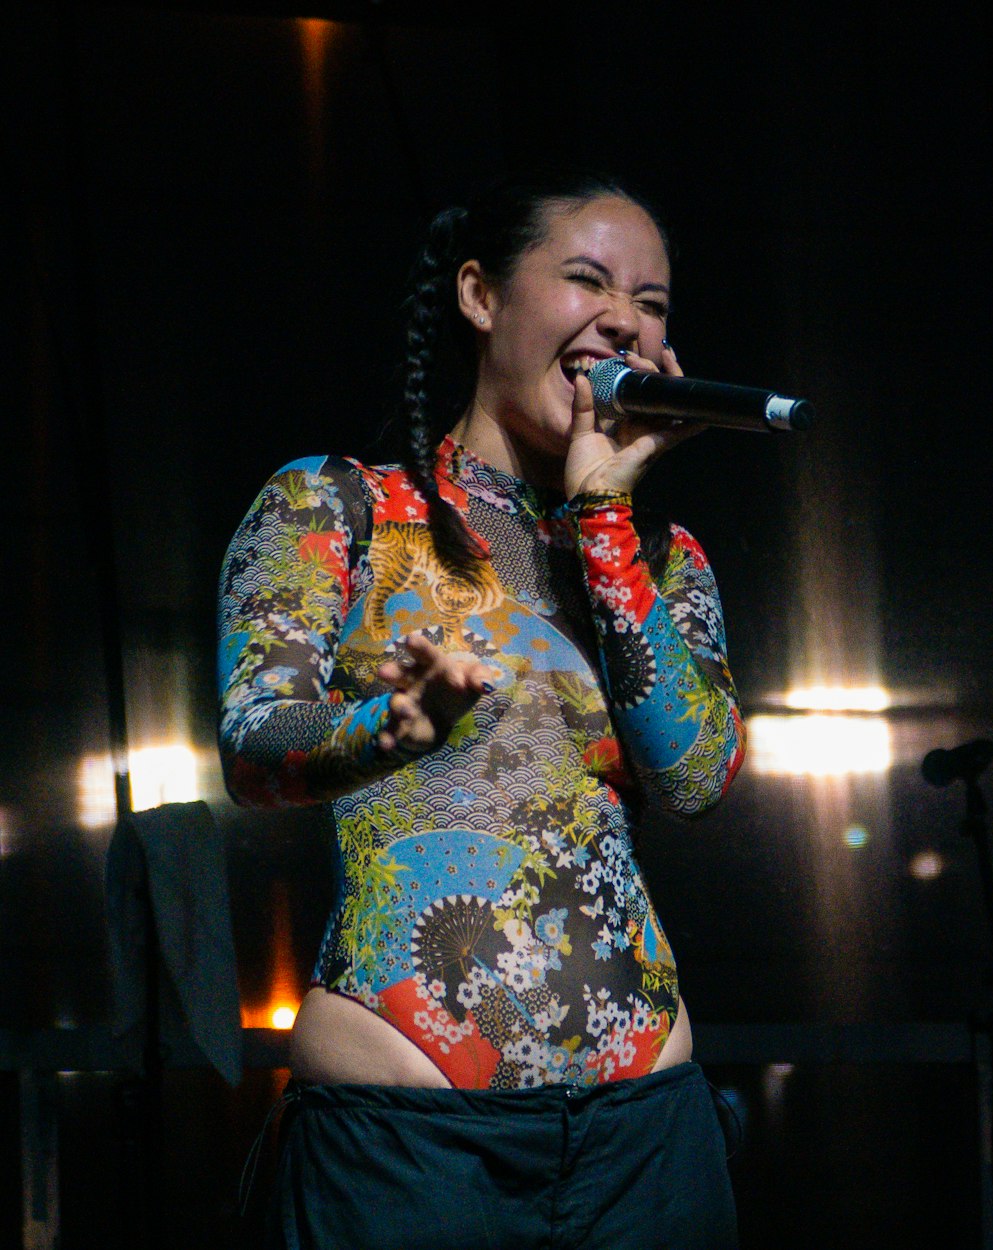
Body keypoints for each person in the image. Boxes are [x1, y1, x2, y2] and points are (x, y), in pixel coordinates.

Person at [218, 171, 746, 1249]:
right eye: (587, 280)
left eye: (651, 304)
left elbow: (693, 777)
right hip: (404, 1141)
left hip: (643, 1139)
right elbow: (251, 740)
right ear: (478, 294)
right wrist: (386, 727)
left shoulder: (661, 561)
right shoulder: (338, 506)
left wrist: (605, 522)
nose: (623, 322)